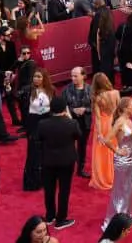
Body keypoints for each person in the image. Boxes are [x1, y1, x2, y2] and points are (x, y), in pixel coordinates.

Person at [37, 97, 81, 230]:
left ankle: (50, 216)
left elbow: (38, 139)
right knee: (64, 190)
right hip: (66, 162)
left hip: (48, 161)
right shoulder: (72, 123)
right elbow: (79, 136)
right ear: (64, 109)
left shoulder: (42, 124)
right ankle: (61, 219)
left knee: (49, 190)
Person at [102, 98, 132, 230]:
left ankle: (126, 216)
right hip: (122, 161)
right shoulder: (119, 122)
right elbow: (106, 140)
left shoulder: (128, 120)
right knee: (120, 191)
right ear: (125, 108)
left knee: (129, 189)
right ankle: (116, 221)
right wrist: (117, 150)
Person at [23, 67, 54, 192]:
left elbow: (54, 107)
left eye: (39, 77)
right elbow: (18, 99)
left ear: (44, 78)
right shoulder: (28, 90)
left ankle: (45, 180)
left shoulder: (51, 91)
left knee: (46, 153)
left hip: (47, 123)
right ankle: (32, 181)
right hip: (33, 124)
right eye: (35, 76)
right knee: (33, 154)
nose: (36, 79)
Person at [90, 72, 120, 190]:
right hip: (114, 123)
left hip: (103, 125)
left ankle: (103, 178)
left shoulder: (98, 98)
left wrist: (100, 134)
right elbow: (118, 111)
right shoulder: (116, 93)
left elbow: (97, 117)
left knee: (101, 154)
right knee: (114, 150)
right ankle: (115, 177)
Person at [61, 66, 92, 178]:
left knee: (82, 146)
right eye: (72, 76)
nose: (73, 78)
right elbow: (62, 106)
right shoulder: (66, 90)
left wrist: (86, 109)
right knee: (68, 146)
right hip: (70, 122)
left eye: (75, 76)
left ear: (83, 76)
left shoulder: (90, 89)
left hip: (85, 122)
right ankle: (67, 169)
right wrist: (73, 110)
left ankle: (80, 169)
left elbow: (96, 106)